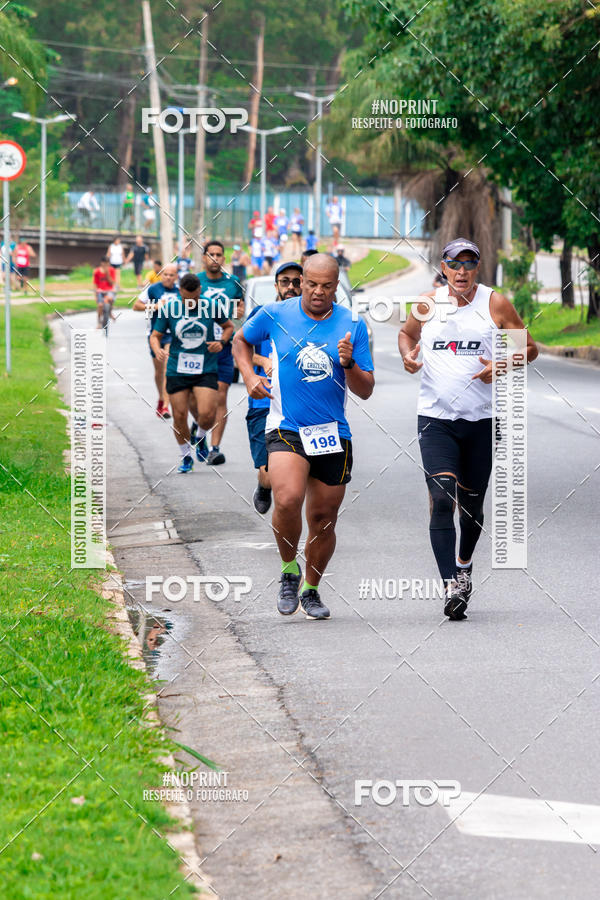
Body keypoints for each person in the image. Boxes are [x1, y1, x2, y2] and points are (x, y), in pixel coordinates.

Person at [398, 238, 539, 621]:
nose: (461, 272)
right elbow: (407, 334)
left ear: (477, 267)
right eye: (454, 264)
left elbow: (529, 349)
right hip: (435, 419)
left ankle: (464, 565)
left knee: (472, 506)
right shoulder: (428, 304)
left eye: (468, 264)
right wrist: (408, 357)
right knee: (442, 498)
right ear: (443, 267)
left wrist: (502, 365)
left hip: (481, 420)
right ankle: (451, 585)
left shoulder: (494, 303)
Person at [234, 253, 374, 620]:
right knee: (287, 498)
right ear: (303, 281)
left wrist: (349, 364)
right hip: (286, 426)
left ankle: (311, 588)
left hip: (332, 433)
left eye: (327, 286)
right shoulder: (276, 314)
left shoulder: (352, 324)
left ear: (336, 285)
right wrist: (249, 376)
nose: (317, 292)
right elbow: (240, 341)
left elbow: (366, 390)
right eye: (311, 284)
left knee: (324, 518)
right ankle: (287, 572)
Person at [150, 272, 233, 473]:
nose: (192, 303)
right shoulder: (169, 308)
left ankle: (200, 435)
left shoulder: (211, 305)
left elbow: (228, 327)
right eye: (188, 299)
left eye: (195, 298)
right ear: (180, 293)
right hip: (177, 368)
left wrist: (221, 343)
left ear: (200, 291)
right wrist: (157, 349)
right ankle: (186, 456)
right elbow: (155, 335)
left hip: (205, 367)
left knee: (207, 414)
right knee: (179, 416)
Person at [244, 261, 303, 514]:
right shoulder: (262, 313)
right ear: (276, 285)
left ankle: (290, 517)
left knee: (296, 475)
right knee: (269, 473)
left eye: (297, 282)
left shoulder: (311, 316)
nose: (291, 287)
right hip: (263, 400)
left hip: (298, 405)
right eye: (285, 281)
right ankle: (263, 486)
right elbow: (241, 347)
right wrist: (263, 360)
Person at [196, 240, 245, 465]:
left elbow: (240, 308)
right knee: (199, 400)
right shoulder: (196, 281)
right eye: (211, 254)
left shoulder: (233, 282)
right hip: (198, 348)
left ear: (224, 258)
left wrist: (238, 311)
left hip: (224, 347)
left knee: (221, 395)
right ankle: (199, 430)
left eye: (219, 254)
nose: (215, 258)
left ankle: (215, 448)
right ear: (204, 258)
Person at [134, 262, 179, 419]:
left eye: (171, 275)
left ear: (176, 276)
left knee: (167, 369)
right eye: (165, 274)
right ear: (161, 275)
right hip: (155, 334)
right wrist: (155, 307)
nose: (168, 277)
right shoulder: (153, 289)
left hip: (172, 335)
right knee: (159, 371)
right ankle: (161, 398)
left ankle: (166, 407)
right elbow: (136, 306)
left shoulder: (180, 292)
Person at [93, 256, 117, 328]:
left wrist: (107, 274)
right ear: (102, 263)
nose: (106, 265)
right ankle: (99, 321)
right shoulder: (97, 271)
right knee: (100, 305)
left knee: (110, 299)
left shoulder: (112, 270)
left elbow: (112, 283)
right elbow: (95, 284)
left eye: (108, 264)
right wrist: (95, 295)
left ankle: (110, 312)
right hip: (100, 291)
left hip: (109, 290)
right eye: (105, 263)